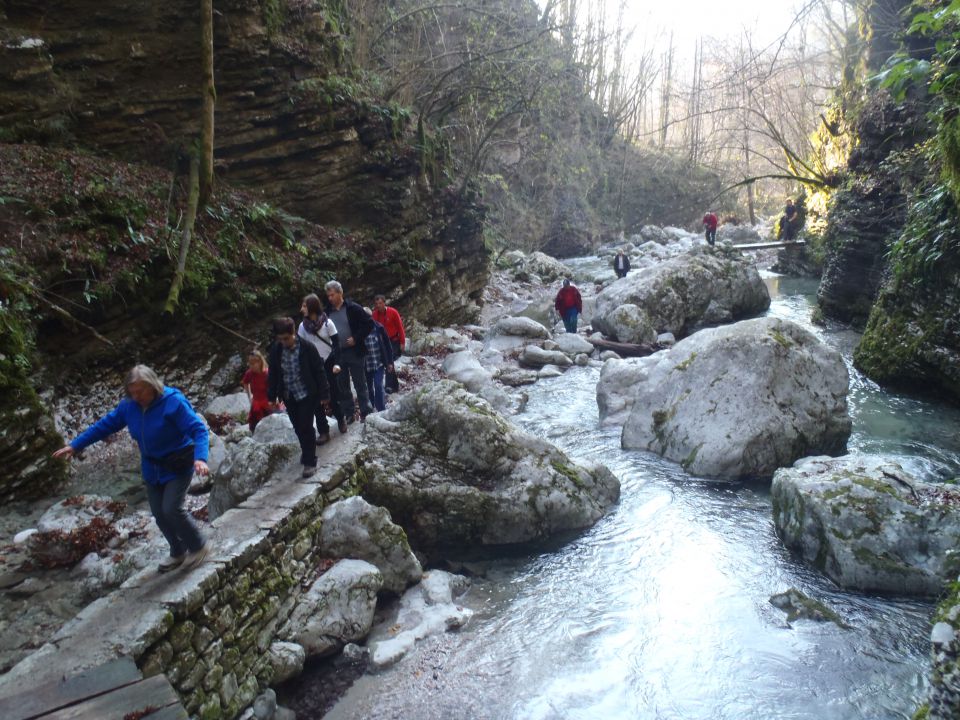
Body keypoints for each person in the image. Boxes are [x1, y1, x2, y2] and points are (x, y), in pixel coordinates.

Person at [52, 365, 210, 574]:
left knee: (171, 508)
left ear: (153, 386)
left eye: (141, 391)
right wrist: (75, 445)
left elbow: (198, 429)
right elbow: (104, 425)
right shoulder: (129, 406)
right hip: (152, 467)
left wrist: (201, 458)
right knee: (158, 513)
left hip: (178, 463)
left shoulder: (173, 402)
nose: (137, 397)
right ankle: (177, 551)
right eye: (132, 392)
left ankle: (199, 547)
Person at [267, 317, 331, 478]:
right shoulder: (276, 350)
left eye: (286, 338)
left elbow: (319, 370)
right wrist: (272, 396)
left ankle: (310, 461)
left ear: (293, 333)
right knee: (297, 427)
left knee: (306, 426)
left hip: (307, 394)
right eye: (280, 339)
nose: (283, 342)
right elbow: (273, 373)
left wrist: (324, 394)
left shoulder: (307, 348)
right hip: (289, 395)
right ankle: (306, 450)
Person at [324, 280, 375, 422]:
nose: (330, 298)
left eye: (332, 295)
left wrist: (356, 338)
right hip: (338, 354)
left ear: (340, 293)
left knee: (360, 383)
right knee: (342, 384)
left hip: (355, 351)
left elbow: (369, 323)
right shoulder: (327, 312)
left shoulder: (353, 308)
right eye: (328, 296)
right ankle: (349, 413)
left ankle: (366, 411)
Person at [298, 293, 344, 443]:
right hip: (313, 368)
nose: (301, 309)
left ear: (312, 306)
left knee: (333, 395)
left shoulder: (327, 323)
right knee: (316, 400)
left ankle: (341, 419)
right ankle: (324, 431)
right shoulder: (302, 327)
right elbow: (301, 350)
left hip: (329, 363)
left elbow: (336, 345)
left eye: (304, 306)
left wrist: (338, 363)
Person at [372, 295, 405, 394]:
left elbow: (400, 327)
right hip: (382, 342)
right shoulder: (374, 315)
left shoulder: (393, 312)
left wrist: (402, 342)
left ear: (384, 303)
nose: (378, 305)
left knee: (389, 361)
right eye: (376, 304)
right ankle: (394, 385)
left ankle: (389, 386)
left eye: (380, 303)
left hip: (394, 340)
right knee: (388, 362)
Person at [363, 309, 394, 413]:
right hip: (366, 365)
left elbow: (387, 345)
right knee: (369, 388)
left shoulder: (379, 328)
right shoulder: (359, 330)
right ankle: (371, 407)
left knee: (378, 384)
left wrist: (389, 362)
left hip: (379, 363)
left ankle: (381, 409)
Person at [242, 349, 273, 433]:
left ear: (260, 362)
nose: (251, 366)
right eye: (250, 363)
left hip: (267, 401)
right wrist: (249, 396)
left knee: (269, 422)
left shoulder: (267, 373)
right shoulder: (249, 373)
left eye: (253, 363)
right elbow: (245, 382)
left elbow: (274, 386)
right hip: (256, 401)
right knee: (253, 425)